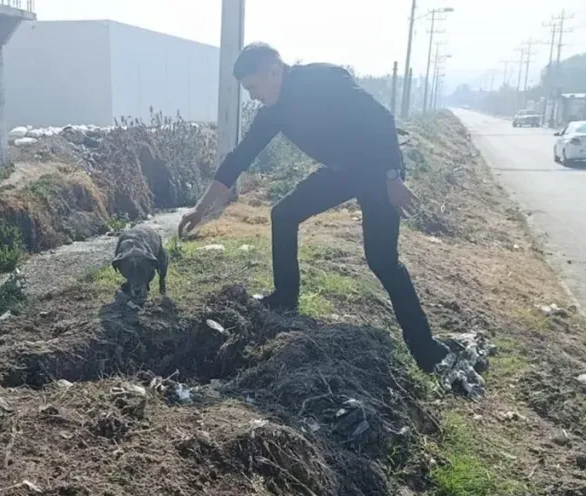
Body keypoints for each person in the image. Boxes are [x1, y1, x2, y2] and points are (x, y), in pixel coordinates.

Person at [177, 43, 453, 373]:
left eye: (253, 88)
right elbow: (239, 158)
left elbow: (381, 119)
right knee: (283, 214)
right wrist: (200, 208)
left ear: (274, 72)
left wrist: (393, 177)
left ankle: (426, 350)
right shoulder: (274, 111)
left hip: (381, 170)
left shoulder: (324, 79)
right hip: (341, 171)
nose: (253, 96)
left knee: (382, 260)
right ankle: (285, 298)